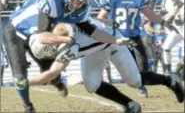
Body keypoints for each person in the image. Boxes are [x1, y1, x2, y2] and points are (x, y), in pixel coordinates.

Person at [3, 0, 128, 113]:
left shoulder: (79, 10)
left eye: (82, 2)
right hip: (16, 32)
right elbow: (42, 37)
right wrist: (69, 40)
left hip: (37, 35)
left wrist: (116, 40)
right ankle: (28, 107)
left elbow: (94, 32)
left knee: (49, 67)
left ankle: (57, 82)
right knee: (20, 78)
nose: (77, 4)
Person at [28, 18, 184, 113]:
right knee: (91, 85)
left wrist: (27, 83)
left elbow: (54, 70)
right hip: (94, 49)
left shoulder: (63, 32)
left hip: (112, 40)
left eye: (47, 52)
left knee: (134, 81)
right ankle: (130, 105)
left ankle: (170, 81)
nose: (49, 56)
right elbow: (54, 70)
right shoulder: (60, 37)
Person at [162, 0, 184, 75]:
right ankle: (168, 71)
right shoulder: (168, 2)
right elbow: (162, 13)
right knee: (166, 48)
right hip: (177, 30)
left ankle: (180, 66)